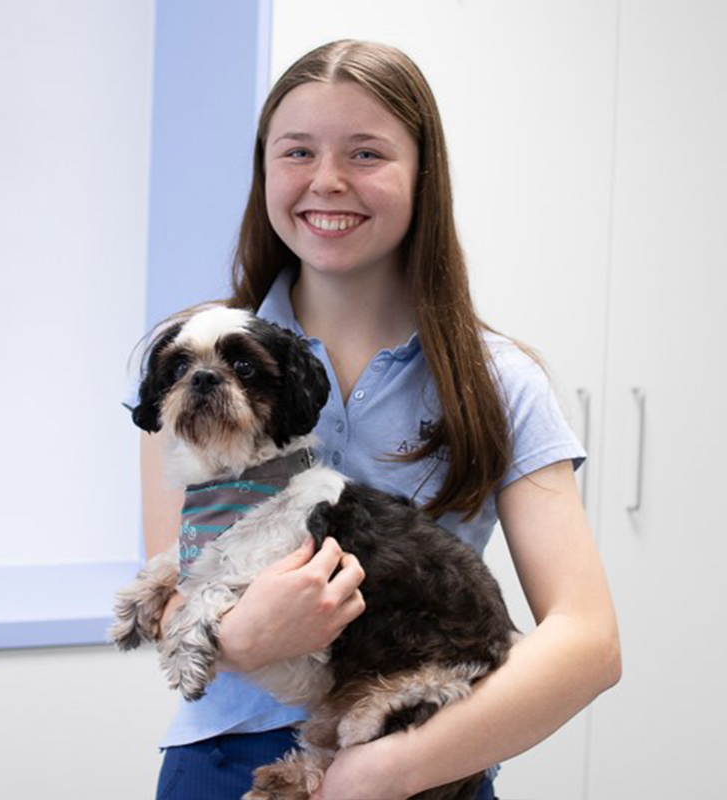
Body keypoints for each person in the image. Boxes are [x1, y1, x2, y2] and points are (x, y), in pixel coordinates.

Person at [138, 39, 621, 800]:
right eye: (297, 151)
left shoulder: (498, 381)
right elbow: (168, 597)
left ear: (424, 175)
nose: (327, 181)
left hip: (416, 760)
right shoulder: (190, 363)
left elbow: (588, 642)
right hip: (223, 766)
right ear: (264, 170)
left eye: (366, 153)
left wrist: (387, 769)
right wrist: (242, 637)